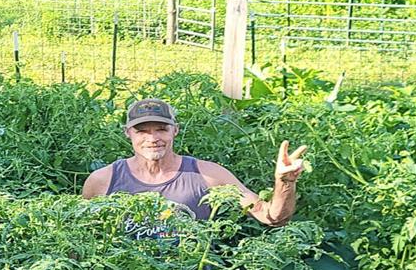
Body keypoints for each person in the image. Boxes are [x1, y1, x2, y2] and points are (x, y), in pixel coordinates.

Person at [81, 98, 307, 239]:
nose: (153, 138)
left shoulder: (208, 175)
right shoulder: (103, 180)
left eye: (161, 129)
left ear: (175, 131)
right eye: (142, 131)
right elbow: (82, 241)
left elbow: (272, 217)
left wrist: (285, 182)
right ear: (127, 133)